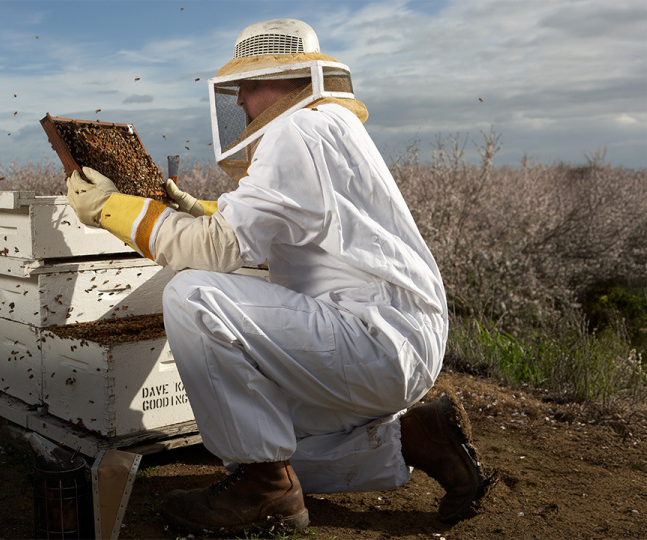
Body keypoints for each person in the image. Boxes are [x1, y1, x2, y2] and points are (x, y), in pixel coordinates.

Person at [65, 18, 490, 536]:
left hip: (372, 337)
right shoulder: (330, 127)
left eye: (249, 83)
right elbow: (279, 228)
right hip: (394, 341)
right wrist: (193, 208)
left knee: (192, 293)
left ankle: (264, 490)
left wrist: (110, 208)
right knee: (264, 445)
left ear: (289, 77)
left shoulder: (297, 130)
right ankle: (419, 439)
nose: (241, 99)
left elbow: (220, 250)